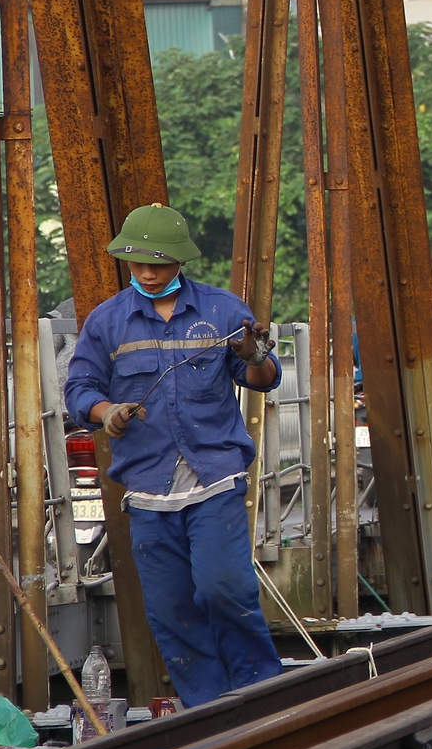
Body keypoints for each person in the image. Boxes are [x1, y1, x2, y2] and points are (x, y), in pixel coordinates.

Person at [63, 203, 283, 708]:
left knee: (223, 589)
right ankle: (209, 713)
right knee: (172, 611)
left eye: (157, 264)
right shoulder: (107, 323)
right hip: (147, 492)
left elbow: (264, 380)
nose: (146, 272)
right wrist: (105, 410)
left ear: (180, 263)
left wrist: (253, 356)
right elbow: (80, 388)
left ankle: (264, 697)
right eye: (137, 263)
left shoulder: (223, 312)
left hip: (214, 480)